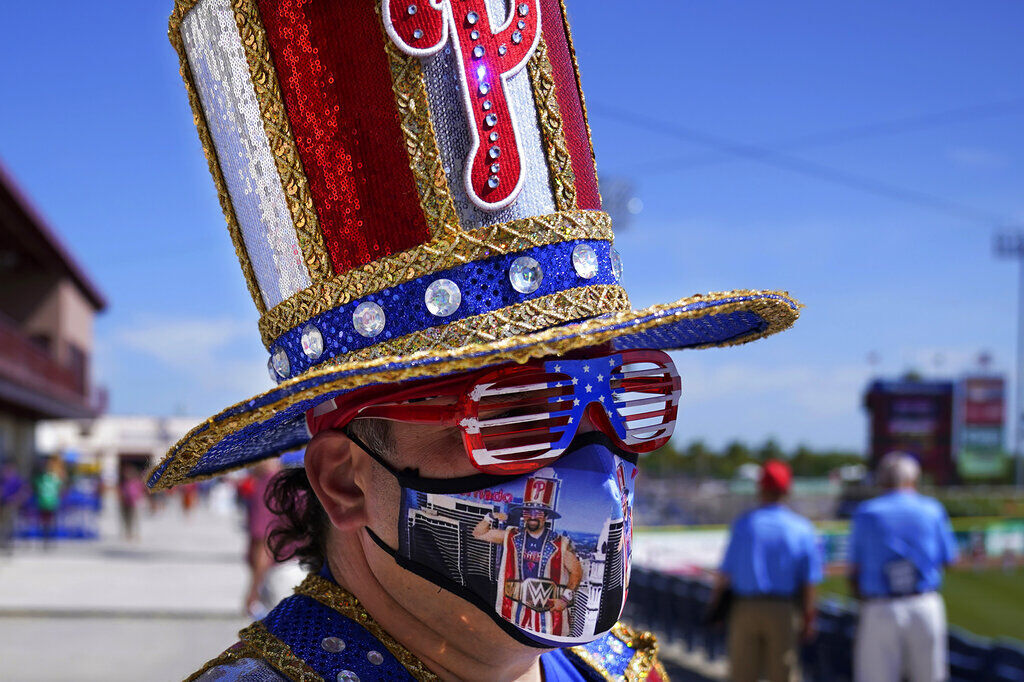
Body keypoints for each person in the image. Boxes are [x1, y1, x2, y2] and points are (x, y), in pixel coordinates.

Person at [150, 0, 800, 678]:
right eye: (518, 414)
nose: (600, 475)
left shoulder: (621, 671)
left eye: (635, 396)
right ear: (344, 481)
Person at [850, 452, 958, 682]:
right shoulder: (932, 510)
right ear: (913, 480)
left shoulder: (868, 512)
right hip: (924, 604)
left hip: (881, 606)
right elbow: (949, 558)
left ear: (882, 481)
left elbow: (854, 568)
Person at [711, 459, 822, 682]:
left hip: (745, 607)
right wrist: (809, 618)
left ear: (761, 488)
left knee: (741, 675)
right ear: (787, 490)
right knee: (783, 673)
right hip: (783, 609)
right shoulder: (801, 528)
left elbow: (725, 575)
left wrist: (716, 609)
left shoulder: (744, 524)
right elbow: (809, 581)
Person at [473, 474, 583, 637]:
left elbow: (576, 571)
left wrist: (565, 599)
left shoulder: (560, 544)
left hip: (550, 619)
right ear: (523, 515)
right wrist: (490, 517)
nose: (532, 516)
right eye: (528, 511)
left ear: (546, 517)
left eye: (538, 512)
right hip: (513, 613)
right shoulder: (511, 536)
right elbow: (479, 534)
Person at [238, 458, 283, 618]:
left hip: (278, 575)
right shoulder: (283, 481)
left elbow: (265, 544)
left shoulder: (267, 484)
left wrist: (253, 590)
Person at [33, 457, 62, 549]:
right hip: (44, 503)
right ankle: (46, 540)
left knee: (49, 523)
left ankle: (49, 540)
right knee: (46, 523)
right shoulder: (42, 478)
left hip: (51, 503)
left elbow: (59, 489)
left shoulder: (54, 478)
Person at [0, 460, 26, 553]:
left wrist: (17, 499)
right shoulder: (3, 478)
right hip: (2, 504)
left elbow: (23, 491)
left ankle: (7, 543)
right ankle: (3, 542)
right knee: (3, 524)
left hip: (11, 504)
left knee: (9, 524)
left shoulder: (16, 479)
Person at [118, 463, 145, 541]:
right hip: (125, 503)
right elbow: (122, 492)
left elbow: (141, 491)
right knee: (126, 519)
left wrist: (139, 499)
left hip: (134, 503)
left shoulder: (137, 482)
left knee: (135, 519)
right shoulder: (124, 483)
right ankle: (128, 534)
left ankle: (137, 534)